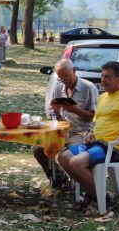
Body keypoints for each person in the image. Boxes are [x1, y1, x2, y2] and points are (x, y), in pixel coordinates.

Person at [58, 61, 119, 210]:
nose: (103, 80)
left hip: (115, 148)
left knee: (76, 163)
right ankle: (97, 195)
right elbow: (96, 121)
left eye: (107, 76)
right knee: (64, 157)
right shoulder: (103, 98)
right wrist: (91, 132)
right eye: (102, 76)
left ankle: (96, 196)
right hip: (97, 144)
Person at [34, 58, 98, 187]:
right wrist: (56, 112)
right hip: (62, 131)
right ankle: (59, 178)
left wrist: (76, 110)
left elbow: (94, 117)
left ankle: (83, 184)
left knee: (65, 154)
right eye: (61, 78)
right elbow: (56, 118)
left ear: (74, 71)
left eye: (67, 76)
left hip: (82, 132)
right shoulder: (59, 88)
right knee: (39, 150)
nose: (64, 80)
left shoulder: (89, 87)